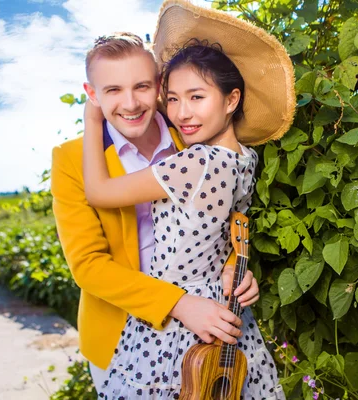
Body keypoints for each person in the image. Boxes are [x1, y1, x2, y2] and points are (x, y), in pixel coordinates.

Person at [81, 1, 295, 398]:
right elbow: (227, 228)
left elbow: (98, 193)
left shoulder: (196, 159)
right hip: (218, 311)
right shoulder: (245, 158)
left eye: (196, 97)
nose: (181, 113)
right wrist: (235, 267)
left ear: (232, 100)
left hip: (179, 324)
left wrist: (92, 118)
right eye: (174, 99)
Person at [51, 31, 262, 389]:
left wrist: (234, 268)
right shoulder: (72, 160)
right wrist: (178, 303)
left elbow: (226, 216)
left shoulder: (192, 136)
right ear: (92, 95)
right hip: (122, 338)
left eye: (142, 87)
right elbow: (87, 265)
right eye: (113, 90)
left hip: (206, 325)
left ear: (160, 86)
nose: (131, 104)